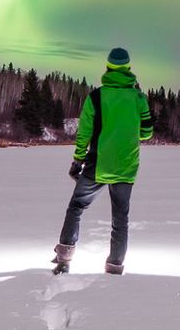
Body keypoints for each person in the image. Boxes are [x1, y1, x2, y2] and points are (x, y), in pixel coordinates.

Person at [52, 46, 153, 274]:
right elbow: (147, 132)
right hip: (126, 166)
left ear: (108, 67)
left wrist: (77, 161)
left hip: (97, 165)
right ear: (128, 69)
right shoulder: (138, 98)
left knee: (77, 206)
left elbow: (84, 133)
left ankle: (64, 258)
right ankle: (115, 266)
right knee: (120, 218)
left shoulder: (96, 97)